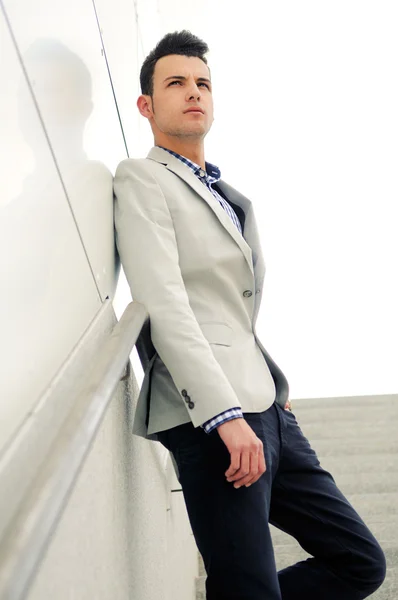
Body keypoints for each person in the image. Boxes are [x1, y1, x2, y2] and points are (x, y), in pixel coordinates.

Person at [113, 30, 386, 600]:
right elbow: (165, 303)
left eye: (203, 83)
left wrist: (272, 389)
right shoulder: (143, 180)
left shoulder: (229, 194)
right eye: (176, 83)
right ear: (147, 105)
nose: (194, 93)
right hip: (213, 415)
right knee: (247, 585)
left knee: (359, 561)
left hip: (268, 409)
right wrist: (222, 415)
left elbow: (235, 311)